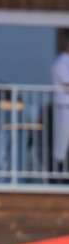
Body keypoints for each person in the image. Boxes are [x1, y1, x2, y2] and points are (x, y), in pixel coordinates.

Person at [51, 37, 69, 170]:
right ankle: (59, 172)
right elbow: (66, 83)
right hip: (65, 106)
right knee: (63, 140)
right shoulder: (61, 63)